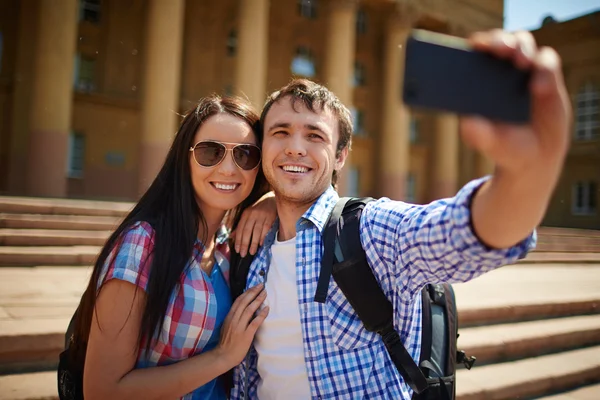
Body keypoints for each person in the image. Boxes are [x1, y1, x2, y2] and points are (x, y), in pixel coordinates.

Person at [230, 29, 571, 399]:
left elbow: (463, 233)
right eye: (280, 132)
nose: (295, 148)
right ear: (262, 146)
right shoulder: (251, 247)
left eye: (315, 136)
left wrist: (529, 170)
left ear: (340, 156)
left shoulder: (369, 231)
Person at [58, 95, 277, 399]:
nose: (229, 169)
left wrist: (272, 201)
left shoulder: (231, 249)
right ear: (184, 159)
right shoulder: (143, 244)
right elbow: (103, 391)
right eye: (210, 152)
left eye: (245, 155)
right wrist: (223, 357)